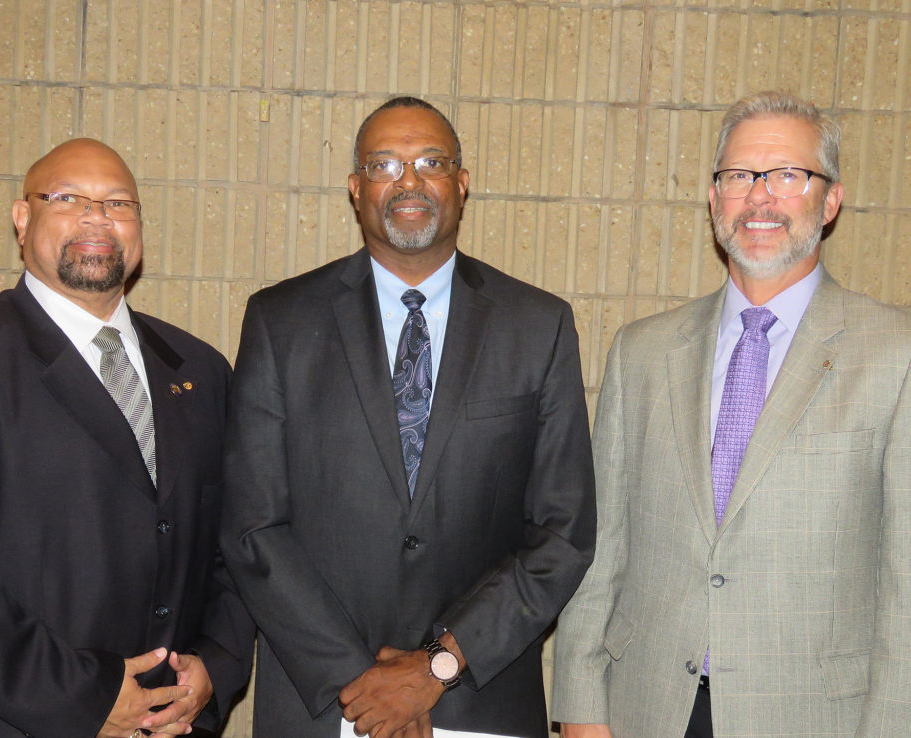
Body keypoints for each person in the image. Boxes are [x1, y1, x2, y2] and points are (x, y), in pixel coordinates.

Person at [220, 96, 596, 738]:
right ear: (356, 188)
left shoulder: (538, 326)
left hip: (479, 699)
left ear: (462, 183)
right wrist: (363, 686)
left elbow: (563, 532)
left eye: (431, 161)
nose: (409, 181)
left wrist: (436, 668)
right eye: (385, 164)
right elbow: (253, 527)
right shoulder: (280, 321)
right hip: (323, 703)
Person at [550, 90, 911, 737]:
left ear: (830, 201)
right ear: (714, 198)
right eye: (739, 176)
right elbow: (600, 553)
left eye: (787, 175)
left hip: (810, 718)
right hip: (646, 708)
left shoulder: (896, 354)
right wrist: (580, 709)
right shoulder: (643, 351)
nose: (760, 197)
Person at [0, 138, 253, 737]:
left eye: (117, 203)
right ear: (22, 219)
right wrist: (85, 696)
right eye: (67, 198)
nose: (96, 217)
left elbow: (237, 546)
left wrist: (215, 664)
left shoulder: (199, 369)